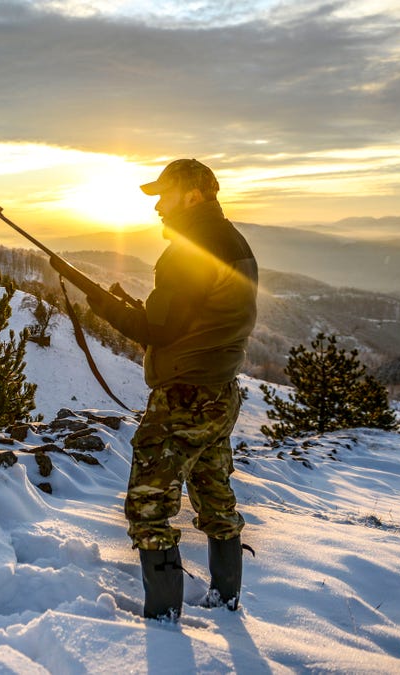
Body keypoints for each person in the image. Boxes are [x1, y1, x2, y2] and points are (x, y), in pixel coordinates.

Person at [81, 158, 258, 619]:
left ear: (193, 195)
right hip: (220, 391)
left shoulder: (189, 250)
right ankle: (226, 599)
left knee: (149, 504)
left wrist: (105, 307)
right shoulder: (233, 241)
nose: (159, 205)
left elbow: (157, 330)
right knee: (214, 492)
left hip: (186, 397)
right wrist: (133, 306)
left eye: (166, 194)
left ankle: (162, 620)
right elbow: (188, 319)